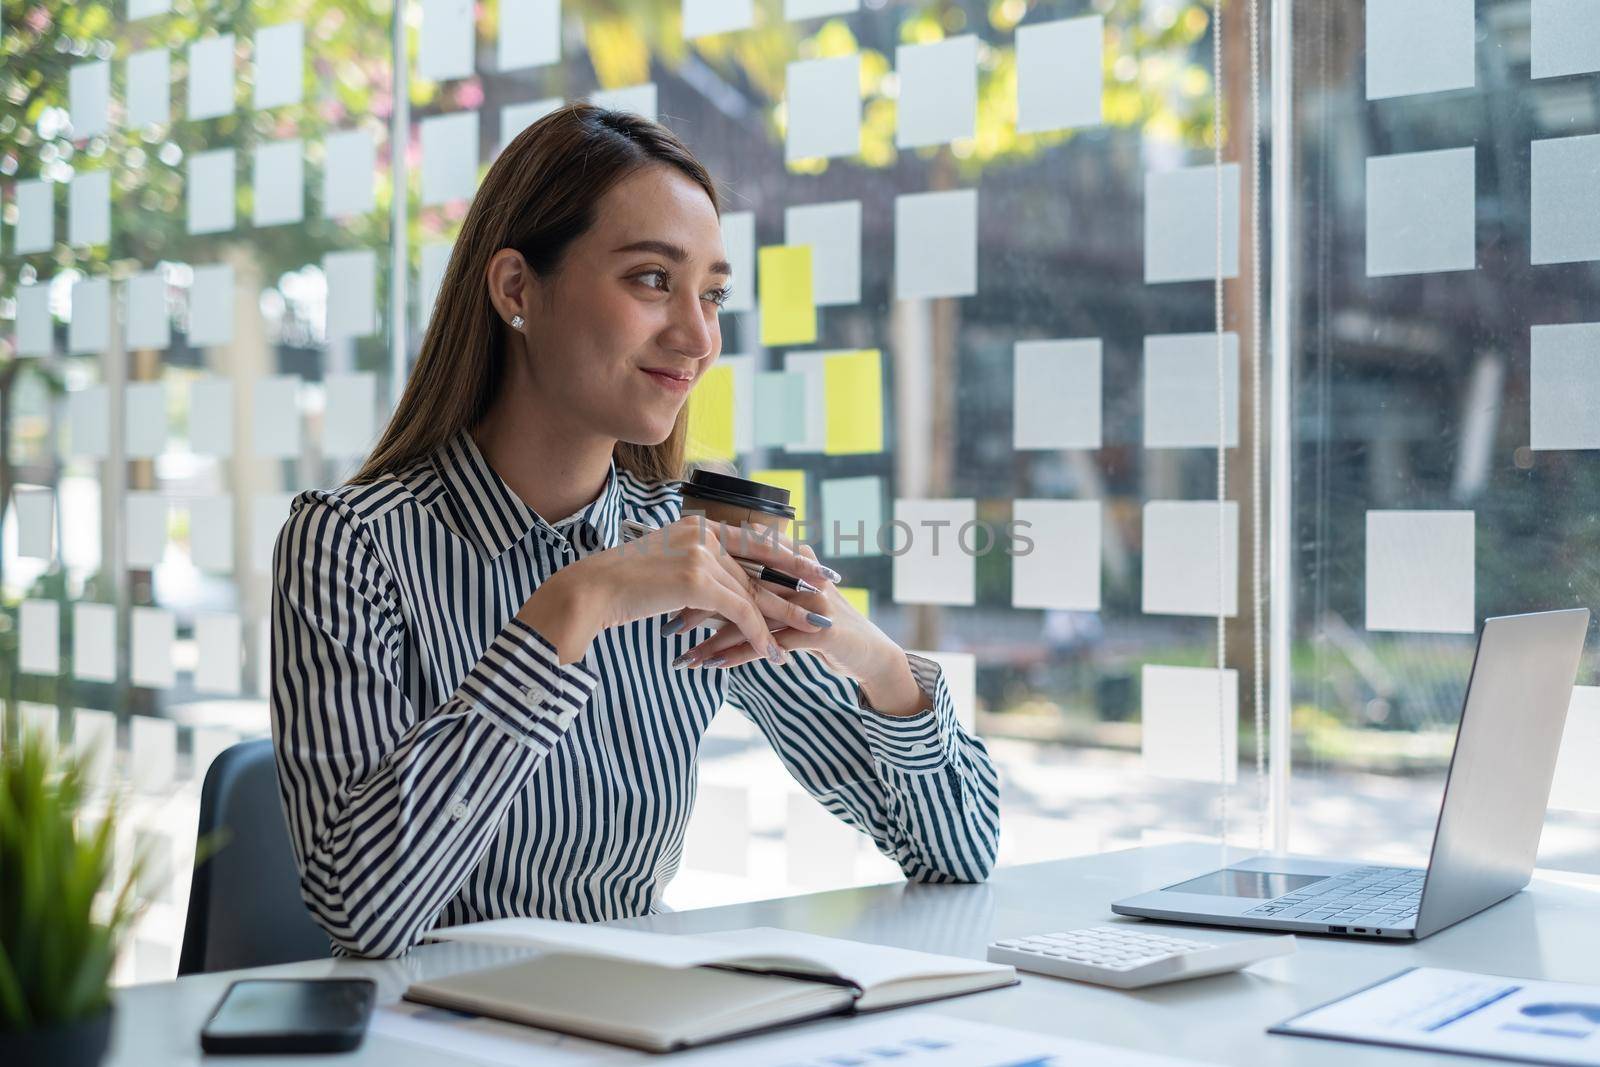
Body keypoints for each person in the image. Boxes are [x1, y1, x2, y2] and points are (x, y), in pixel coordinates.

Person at [270, 104, 999, 959]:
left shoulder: (692, 549)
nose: (698, 335)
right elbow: (364, 910)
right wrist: (574, 604)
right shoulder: (351, 545)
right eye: (652, 279)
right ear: (516, 289)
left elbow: (961, 852)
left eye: (713, 294)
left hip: (637, 1023)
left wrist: (872, 657)